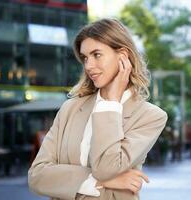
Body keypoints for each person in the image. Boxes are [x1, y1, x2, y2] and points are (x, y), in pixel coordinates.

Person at [28, 18, 168, 200]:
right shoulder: (70, 108)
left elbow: (105, 168)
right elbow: (37, 175)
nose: (88, 66)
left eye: (96, 55)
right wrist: (102, 181)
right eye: (85, 58)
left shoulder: (150, 116)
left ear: (123, 56)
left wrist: (111, 103)